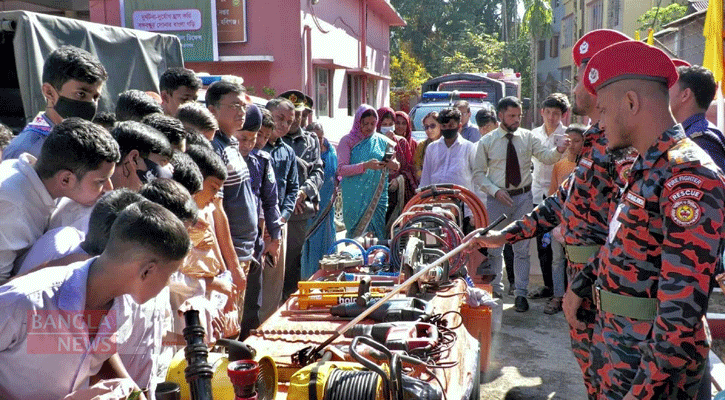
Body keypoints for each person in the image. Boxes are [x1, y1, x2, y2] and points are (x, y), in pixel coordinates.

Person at [472, 29, 635, 398]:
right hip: (588, 287)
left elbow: (628, 237)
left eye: (580, 77)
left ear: (601, 83)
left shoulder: (625, 149)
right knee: (595, 380)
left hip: (608, 292)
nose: (574, 88)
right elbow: (563, 201)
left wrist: (578, 287)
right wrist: (505, 234)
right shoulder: (596, 142)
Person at [563, 39, 725, 400]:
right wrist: (581, 286)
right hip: (620, 354)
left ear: (632, 103)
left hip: (649, 376)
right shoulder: (647, 167)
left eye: (603, 112)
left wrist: (641, 392)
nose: (599, 123)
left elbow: (679, 315)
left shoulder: (688, 176)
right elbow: (621, 244)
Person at [0, 200, 190, 400]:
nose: (169, 283)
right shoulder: (25, 301)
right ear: (147, 271)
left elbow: (96, 350)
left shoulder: (123, 306)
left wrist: (133, 392)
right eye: (170, 274)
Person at [472, 96, 568, 310]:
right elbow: (478, 174)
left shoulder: (527, 137)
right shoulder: (487, 142)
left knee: (522, 248)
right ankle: (495, 290)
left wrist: (560, 150)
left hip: (523, 197)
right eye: (511, 116)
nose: (516, 119)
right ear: (500, 116)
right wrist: (495, 192)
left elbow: (546, 157)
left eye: (519, 116)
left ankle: (521, 294)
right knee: (494, 247)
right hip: (498, 200)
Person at [0, 118, 119, 284]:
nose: (109, 188)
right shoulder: (11, 204)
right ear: (65, 180)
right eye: (100, 181)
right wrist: (60, 265)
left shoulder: (33, 178)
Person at [206, 80, 256, 329]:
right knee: (224, 328)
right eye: (234, 105)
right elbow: (216, 211)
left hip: (243, 249)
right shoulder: (214, 148)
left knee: (233, 324)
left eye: (243, 106)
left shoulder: (231, 145)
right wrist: (232, 265)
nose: (241, 112)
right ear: (212, 109)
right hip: (229, 253)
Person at [3, 45, 107, 160]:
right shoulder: (24, 149)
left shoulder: (88, 143)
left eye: (96, 97)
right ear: (49, 92)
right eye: (81, 94)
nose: (90, 104)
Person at [235, 104, 282, 334]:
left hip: (253, 244)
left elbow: (271, 201)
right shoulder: (223, 156)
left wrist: (276, 237)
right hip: (229, 242)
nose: (248, 145)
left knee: (252, 304)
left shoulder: (262, 161)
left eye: (252, 139)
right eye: (243, 138)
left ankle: (245, 359)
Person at [277, 90, 324, 300]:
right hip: (275, 208)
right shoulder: (273, 139)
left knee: (293, 261)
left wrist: (303, 193)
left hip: (299, 210)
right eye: (293, 114)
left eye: (301, 115)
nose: (297, 119)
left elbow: (318, 171)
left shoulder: (311, 140)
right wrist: (289, 197)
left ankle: (287, 300)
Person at [529, 93, 570, 301]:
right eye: (548, 113)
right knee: (542, 245)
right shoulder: (533, 134)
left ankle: (560, 291)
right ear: (541, 112)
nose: (552, 118)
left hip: (561, 197)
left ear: (563, 115)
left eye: (556, 114)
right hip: (538, 194)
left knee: (560, 247)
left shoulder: (567, 137)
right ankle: (547, 285)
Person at [260, 99, 298, 320]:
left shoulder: (288, 152)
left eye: (289, 121)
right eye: (280, 118)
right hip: (256, 225)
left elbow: (292, 189)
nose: (284, 125)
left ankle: (266, 326)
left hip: (279, 225)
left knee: (274, 282)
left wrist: (281, 219)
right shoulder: (253, 147)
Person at [338, 105, 399, 240]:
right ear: (358, 122)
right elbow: (341, 169)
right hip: (355, 199)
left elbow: (396, 165)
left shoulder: (382, 140)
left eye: (373, 123)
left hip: (377, 197)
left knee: (376, 237)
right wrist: (365, 166)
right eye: (365, 123)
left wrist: (391, 164)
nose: (369, 127)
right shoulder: (347, 141)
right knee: (356, 239)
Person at [543, 124, 585, 315]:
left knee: (577, 263)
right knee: (557, 260)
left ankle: (575, 299)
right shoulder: (560, 166)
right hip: (560, 223)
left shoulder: (588, 167)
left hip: (581, 225)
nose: (573, 145)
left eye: (577, 141)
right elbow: (553, 195)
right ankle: (558, 296)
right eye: (570, 141)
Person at [669, 65, 725, 170]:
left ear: (685, 95)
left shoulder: (701, 139)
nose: (663, 93)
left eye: (669, 86)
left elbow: (713, 184)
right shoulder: (690, 132)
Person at [301, 122, 338, 279]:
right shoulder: (304, 154)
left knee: (328, 240)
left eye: (321, 137)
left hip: (328, 207)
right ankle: (311, 277)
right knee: (311, 244)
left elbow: (336, 174)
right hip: (311, 207)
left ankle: (329, 275)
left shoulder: (330, 151)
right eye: (315, 138)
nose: (319, 141)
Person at [377, 107, 418, 229]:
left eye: (391, 124)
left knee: (394, 227)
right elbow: (380, 163)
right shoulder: (372, 142)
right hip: (375, 192)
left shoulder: (401, 143)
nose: (388, 127)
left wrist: (399, 179)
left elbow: (407, 169)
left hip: (396, 192)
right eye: (384, 124)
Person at [413, 111, 441, 180]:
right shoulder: (422, 146)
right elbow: (417, 168)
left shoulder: (447, 144)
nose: (429, 130)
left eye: (432, 126)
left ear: (440, 126)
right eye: (426, 127)